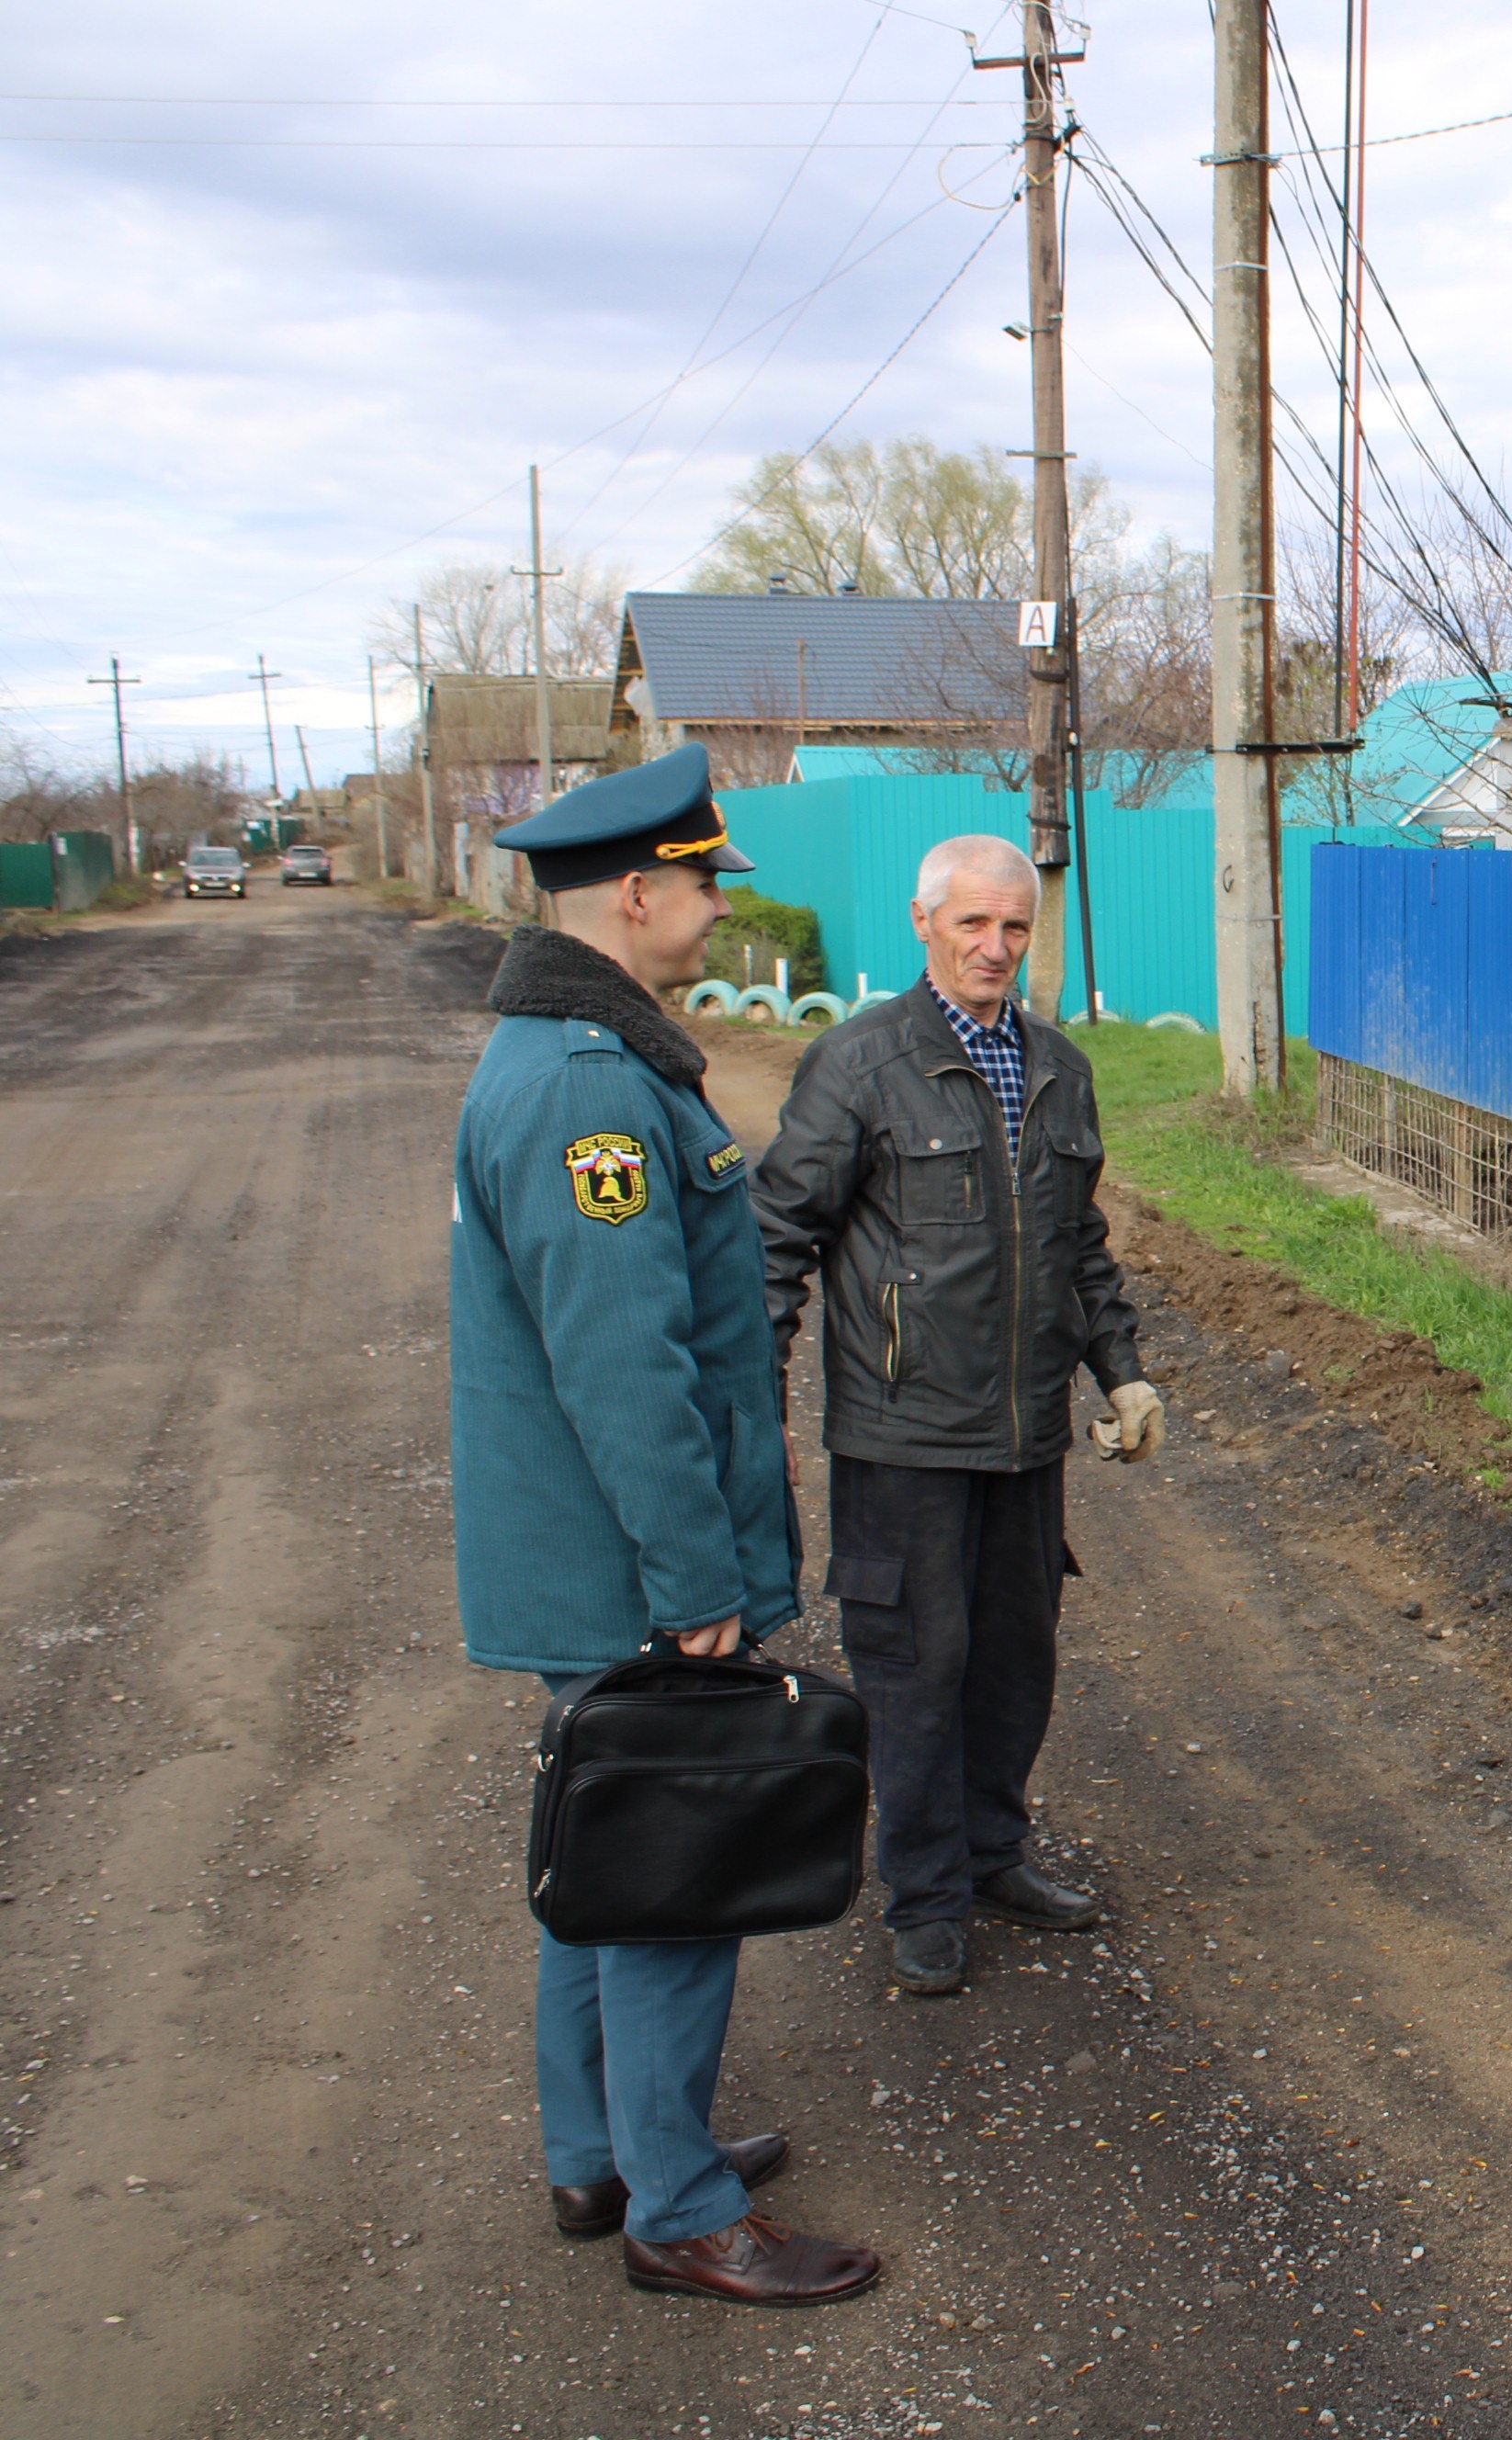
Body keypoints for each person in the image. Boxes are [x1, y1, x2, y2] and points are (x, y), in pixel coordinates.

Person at [448, 744, 882, 2308]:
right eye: (704, 884)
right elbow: (620, 1368)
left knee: (604, 1858)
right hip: (629, 1573)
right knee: (673, 1872)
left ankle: (603, 2151)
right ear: (634, 894)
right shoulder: (583, 1091)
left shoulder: (583, 1056)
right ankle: (678, 2206)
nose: (717, 910)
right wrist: (695, 1580)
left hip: (592, 1566)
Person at [755, 831, 1162, 1997]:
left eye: (1016, 927)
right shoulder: (859, 1063)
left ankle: (994, 1857)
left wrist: (1119, 1369)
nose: (996, 947)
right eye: (974, 924)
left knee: (1012, 1668)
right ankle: (924, 1897)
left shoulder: (1058, 1068)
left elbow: (1077, 1244)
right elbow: (779, 1241)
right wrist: (755, 1410)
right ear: (924, 923)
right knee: (915, 1673)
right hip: (902, 1439)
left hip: (1024, 1436)